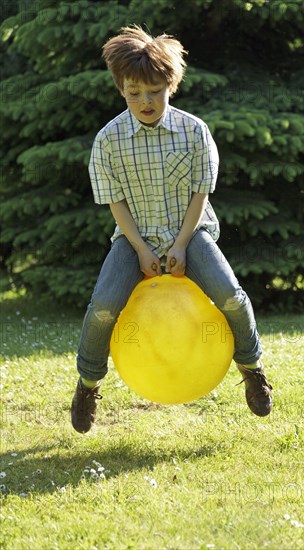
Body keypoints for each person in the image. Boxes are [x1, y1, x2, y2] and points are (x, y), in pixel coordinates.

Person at [71, 25, 273, 434]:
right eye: (134, 92)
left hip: (190, 231)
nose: (145, 101)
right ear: (121, 89)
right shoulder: (108, 140)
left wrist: (181, 244)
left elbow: (200, 195)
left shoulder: (194, 131)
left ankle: (252, 369)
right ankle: (88, 385)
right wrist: (142, 249)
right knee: (105, 306)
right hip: (133, 238)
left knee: (232, 297)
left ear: (171, 85)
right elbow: (117, 203)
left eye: (154, 91)